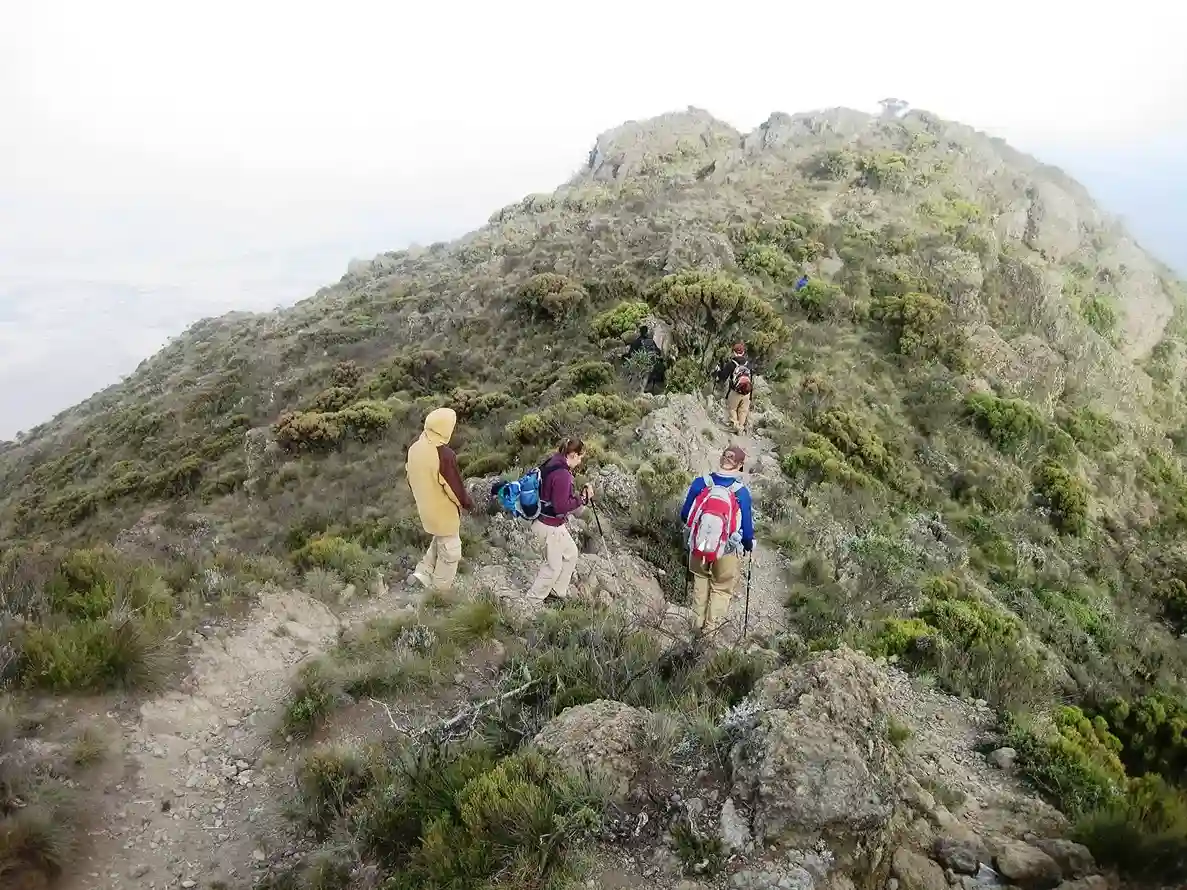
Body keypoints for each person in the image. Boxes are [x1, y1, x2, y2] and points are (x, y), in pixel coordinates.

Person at [680, 445, 754, 635]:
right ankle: (710, 633)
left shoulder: (700, 483)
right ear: (739, 466)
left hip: (699, 545)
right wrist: (747, 545)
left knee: (700, 579)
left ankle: (696, 626)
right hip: (726, 550)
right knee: (721, 588)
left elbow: (684, 515)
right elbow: (746, 532)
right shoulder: (741, 492)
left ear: (721, 459)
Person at [405, 407, 473, 590]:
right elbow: (454, 488)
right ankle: (439, 593)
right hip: (443, 511)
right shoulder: (444, 454)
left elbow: (410, 478)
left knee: (440, 538)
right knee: (451, 550)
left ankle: (423, 572)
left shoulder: (415, 447)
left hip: (425, 508)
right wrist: (467, 504)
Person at [526, 439, 592, 604]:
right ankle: (531, 602)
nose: (581, 460)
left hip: (548, 521)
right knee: (553, 568)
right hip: (549, 525)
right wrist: (582, 499)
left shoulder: (554, 461)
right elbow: (561, 507)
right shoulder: (562, 474)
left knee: (571, 554)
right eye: (580, 456)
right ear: (573, 454)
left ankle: (556, 593)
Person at [715, 342, 754, 434]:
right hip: (747, 392)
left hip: (735, 391)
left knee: (732, 409)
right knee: (743, 411)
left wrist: (718, 371)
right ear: (743, 352)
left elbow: (723, 377)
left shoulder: (731, 364)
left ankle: (735, 426)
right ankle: (740, 427)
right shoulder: (748, 364)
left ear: (734, 352)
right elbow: (751, 380)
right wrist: (750, 396)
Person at [624, 325, 666, 394]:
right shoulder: (651, 341)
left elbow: (631, 354)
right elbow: (658, 351)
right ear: (647, 332)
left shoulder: (637, 342)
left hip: (643, 367)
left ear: (640, 332)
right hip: (654, 366)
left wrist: (624, 356)